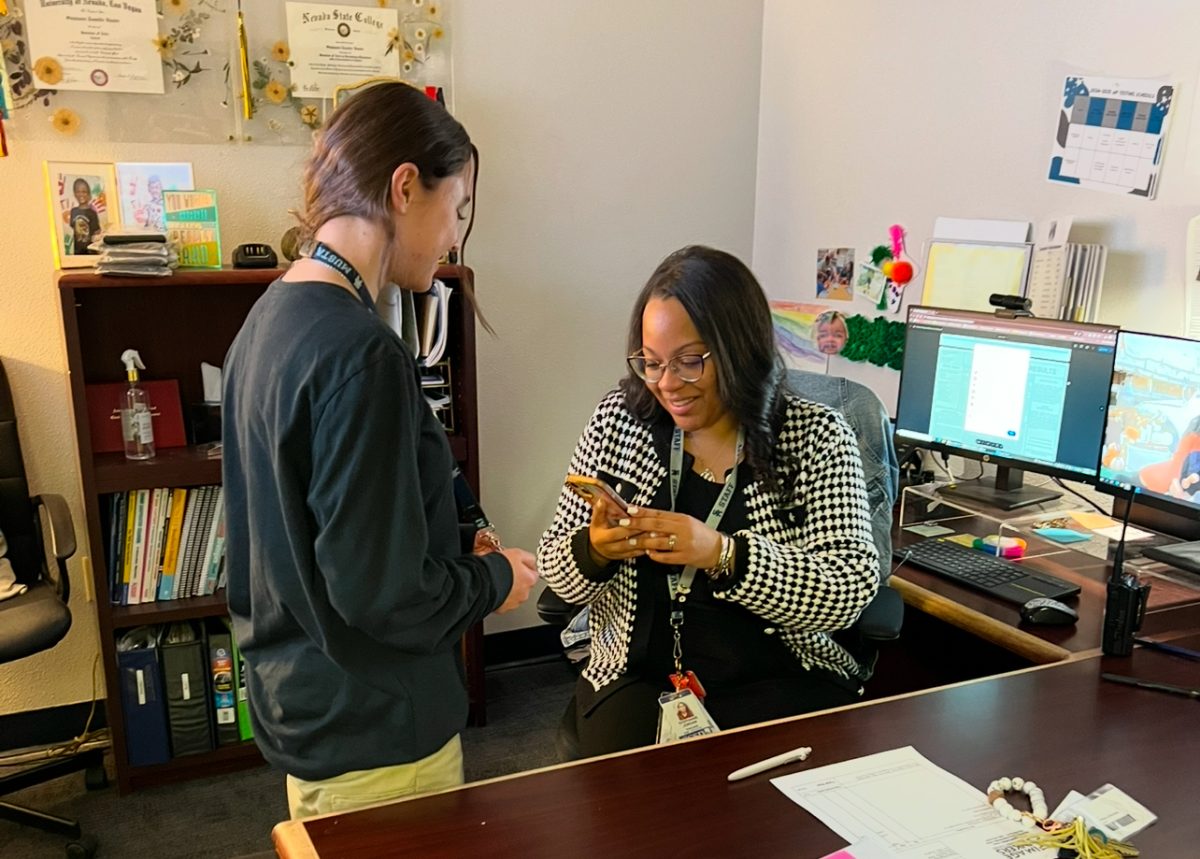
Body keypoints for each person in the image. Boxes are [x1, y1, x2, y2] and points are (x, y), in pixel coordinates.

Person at [221, 81, 539, 819]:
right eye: (455, 208)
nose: (456, 235)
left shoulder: (266, 321)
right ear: (404, 187)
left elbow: (323, 524)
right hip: (377, 734)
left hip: (306, 705)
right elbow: (384, 594)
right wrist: (494, 580)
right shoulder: (362, 354)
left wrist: (453, 541)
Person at [539, 245, 879, 758]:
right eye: (651, 364)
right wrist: (596, 549)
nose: (667, 385)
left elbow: (849, 589)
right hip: (637, 674)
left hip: (778, 673)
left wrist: (724, 554)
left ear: (738, 348)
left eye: (690, 362)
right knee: (628, 807)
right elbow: (554, 568)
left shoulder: (814, 436)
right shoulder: (618, 419)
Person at [66, 178, 101, 254]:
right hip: (77, 251)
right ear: (75, 193)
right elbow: (73, 228)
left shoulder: (92, 213)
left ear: (88, 194)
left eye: (84, 192)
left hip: (90, 252)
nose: (81, 195)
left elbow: (96, 233)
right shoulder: (73, 211)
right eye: (78, 192)